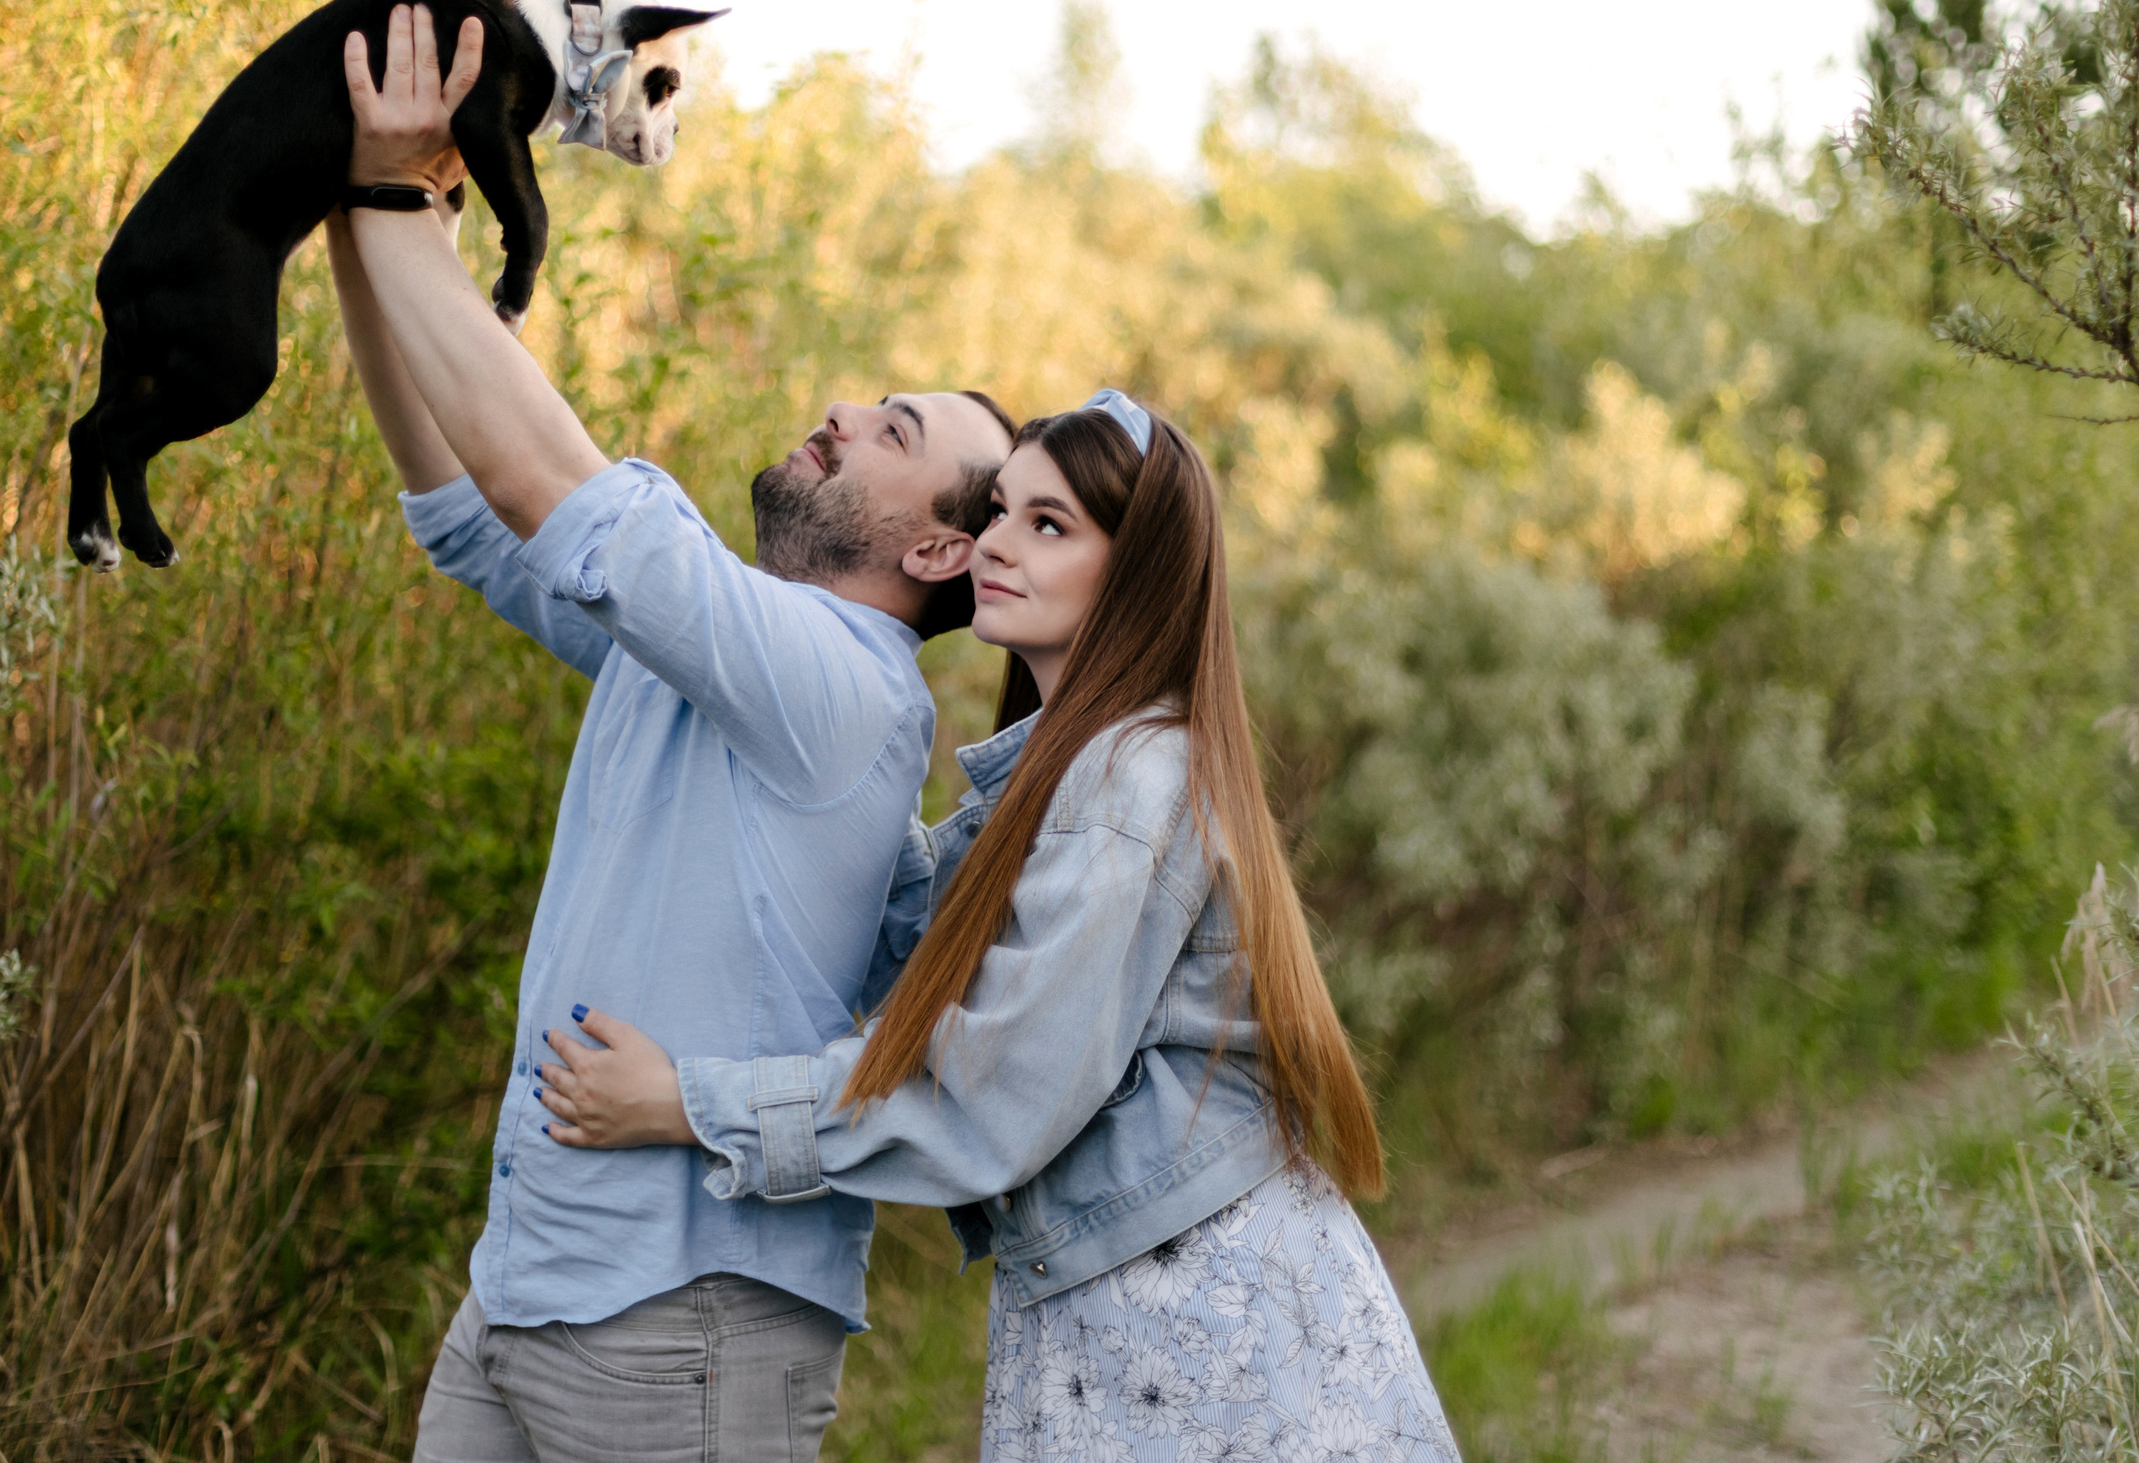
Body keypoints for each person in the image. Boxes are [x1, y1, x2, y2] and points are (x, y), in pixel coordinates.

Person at [329, 2, 1019, 1463]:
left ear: (945, 556)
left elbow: (542, 474)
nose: (842, 412)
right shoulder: (714, 647)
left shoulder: (846, 688)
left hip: (688, 1321)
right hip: (524, 1284)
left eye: (895, 432)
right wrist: (367, 224)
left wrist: (403, 203)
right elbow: (466, 504)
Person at [537, 394, 1464, 1463]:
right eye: (1001, 512)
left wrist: (693, 1106)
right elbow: (899, 940)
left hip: (1199, 1325)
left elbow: (985, 1098)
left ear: (1138, 573)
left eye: (1049, 525)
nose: (995, 545)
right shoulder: (1048, 782)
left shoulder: (1130, 782)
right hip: (1114, 1305)